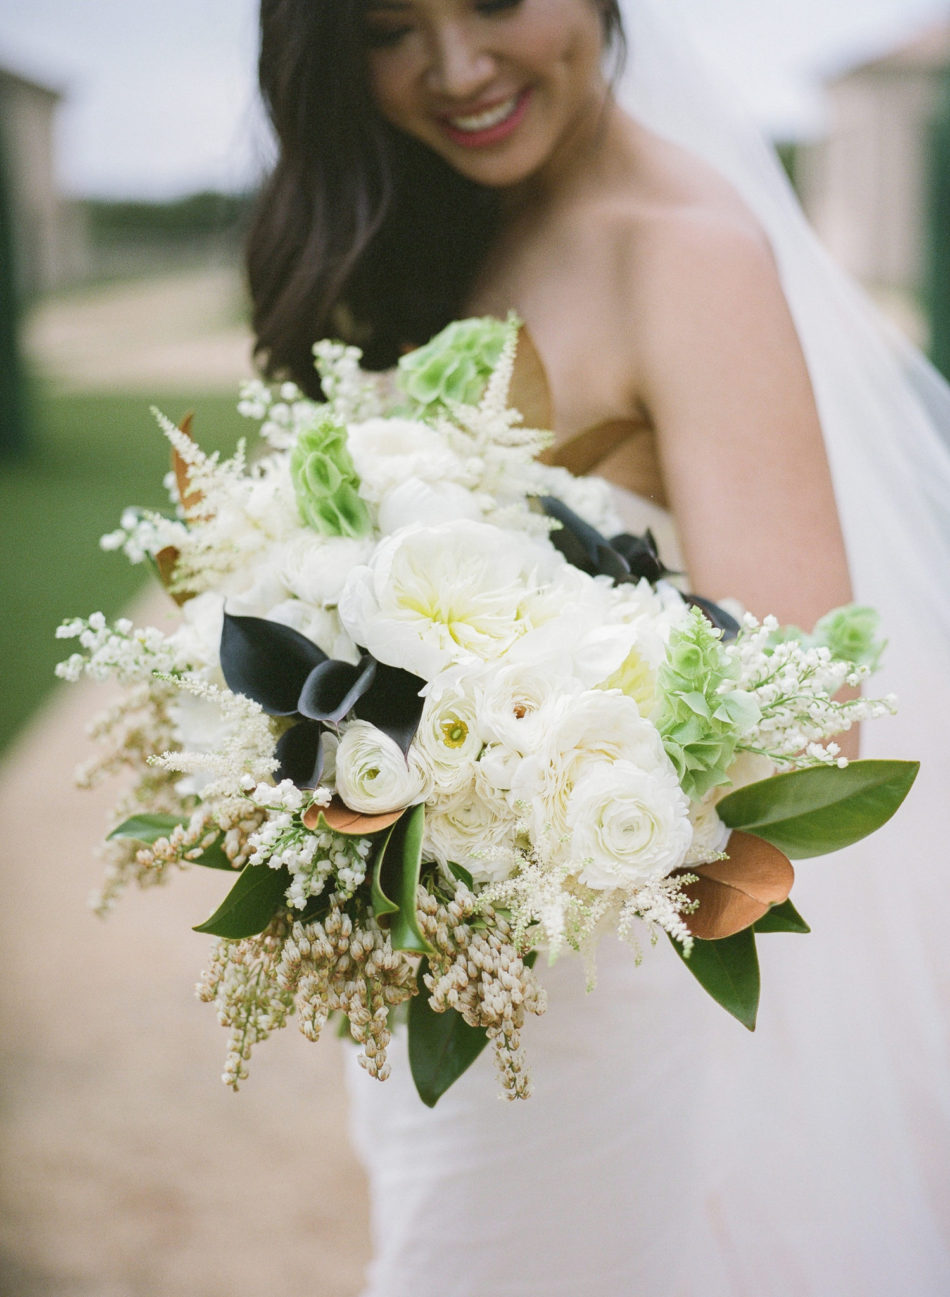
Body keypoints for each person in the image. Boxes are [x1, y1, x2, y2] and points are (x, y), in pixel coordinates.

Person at [247, 2, 950, 1294]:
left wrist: (481, 771)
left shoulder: (683, 254)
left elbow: (812, 721)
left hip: (603, 987)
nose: (456, 70)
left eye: (497, 2)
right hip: (474, 967)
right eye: (390, 28)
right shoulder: (458, 214)